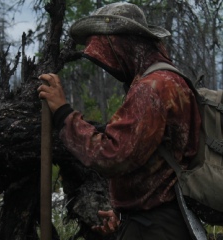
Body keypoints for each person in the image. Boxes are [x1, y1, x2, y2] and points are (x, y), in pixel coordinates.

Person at [37, 2, 201, 240]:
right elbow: (149, 161)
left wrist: (63, 112)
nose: (108, 66)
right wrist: (124, 213)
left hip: (157, 227)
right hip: (157, 220)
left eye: (106, 52)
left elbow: (111, 155)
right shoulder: (166, 80)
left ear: (120, 44)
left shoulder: (153, 88)